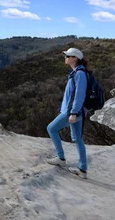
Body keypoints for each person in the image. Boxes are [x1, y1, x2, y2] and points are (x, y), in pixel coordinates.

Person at [46, 47, 89, 179]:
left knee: (51, 128)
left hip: (72, 112)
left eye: (68, 56)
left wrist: (74, 112)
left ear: (75, 58)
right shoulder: (76, 72)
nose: (65, 58)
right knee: (77, 139)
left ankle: (61, 158)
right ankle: (82, 169)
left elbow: (79, 95)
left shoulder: (79, 73)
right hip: (74, 111)